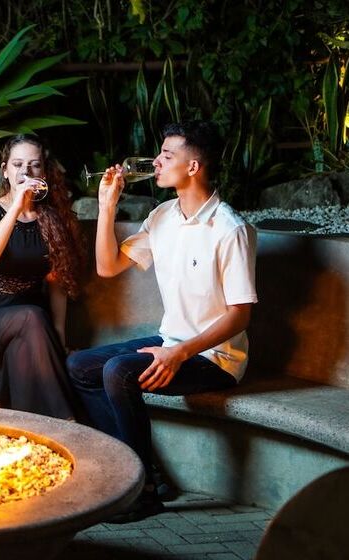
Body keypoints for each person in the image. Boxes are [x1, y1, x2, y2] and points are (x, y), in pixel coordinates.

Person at [66, 120, 258, 521]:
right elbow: (107, 267)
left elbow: (240, 315)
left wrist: (180, 353)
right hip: (171, 342)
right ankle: (140, 471)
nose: (156, 161)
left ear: (193, 167)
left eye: (167, 155)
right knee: (80, 365)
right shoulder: (162, 216)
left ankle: (143, 494)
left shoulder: (230, 228)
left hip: (215, 357)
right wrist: (107, 206)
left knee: (118, 372)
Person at [0, 134, 86, 420]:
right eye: (18, 164)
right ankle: (68, 423)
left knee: (29, 335)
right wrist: (16, 208)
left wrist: (59, 338)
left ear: (43, 172)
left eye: (34, 165)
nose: (26, 172)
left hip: (31, 326)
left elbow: (56, 281)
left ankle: (33, 427)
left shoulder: (51, 219)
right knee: (31, 316)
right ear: (5, 171)